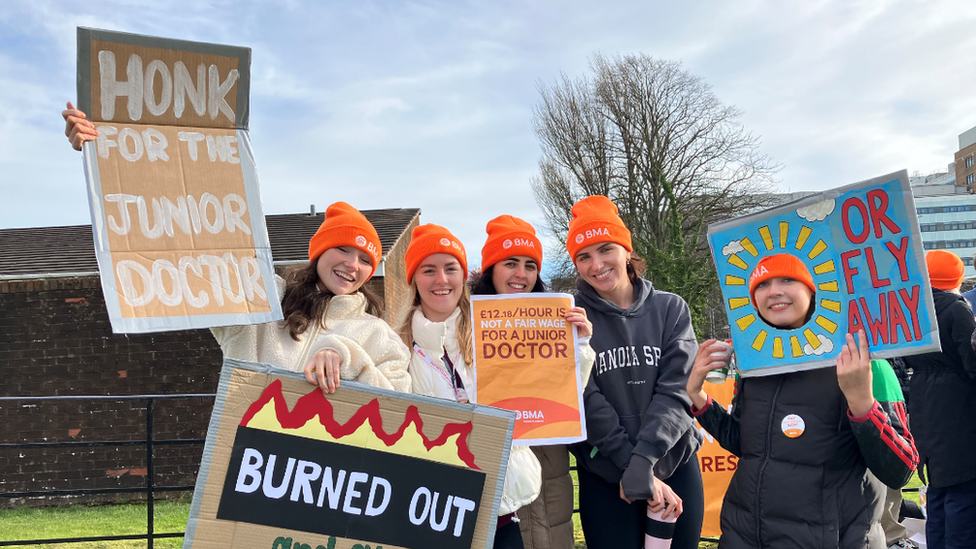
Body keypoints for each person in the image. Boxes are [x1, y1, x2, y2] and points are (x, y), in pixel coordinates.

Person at [62, 103, 411, 394]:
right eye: (343, 250)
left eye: (366, 259)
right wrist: (107, 153)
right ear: (318, 252)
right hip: (248, 462)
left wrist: (344, 355)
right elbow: (177, 233)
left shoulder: (379, 336)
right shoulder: (260, 294)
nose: (353, 264)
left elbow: (400, 415)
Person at [688, 253, 918, 549]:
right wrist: (699, 398)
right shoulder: (756, 365)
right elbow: (750, 447)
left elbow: (900, 470)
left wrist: (862, 404)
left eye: (787, 279)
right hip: (744, 536)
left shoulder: (864, 361)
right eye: (762, 284)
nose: (773, 291)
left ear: (813, 289)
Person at [565, 196, 698, 549]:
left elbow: (677, 389)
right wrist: (629, 465)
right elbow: (583, 397)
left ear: (626, 250)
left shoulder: (671, 309)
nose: (597, 264)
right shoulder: (570, 317)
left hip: (674, 462)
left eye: (605, 249)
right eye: (583, 256)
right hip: (606, 474)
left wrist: (645, 461)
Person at [469, 215, 595, 549]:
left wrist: (579, 345)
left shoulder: (555, 317)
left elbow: (570, 394)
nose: (521, 275)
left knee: (551, 536)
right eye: (510, 263)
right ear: (491, 269)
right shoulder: (464, 323)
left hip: (548, 460)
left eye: (530, 265)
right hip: (496, 461)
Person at [903, 250, 976, 549]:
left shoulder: (911, 309)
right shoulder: (957, 308)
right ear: (956, 278)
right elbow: (971, 363)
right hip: (958, 407)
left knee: (937, 491)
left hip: (923, 403)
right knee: (964, 494)